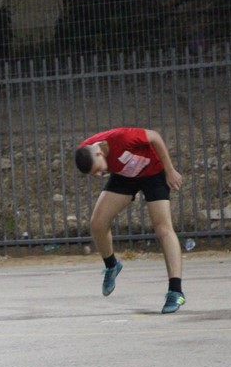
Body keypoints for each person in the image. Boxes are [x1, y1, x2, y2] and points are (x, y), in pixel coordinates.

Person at [74, 127, 185, 314]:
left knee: (163, 229)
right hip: (125, 176)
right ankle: (111, 266)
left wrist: (170, 170)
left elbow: (155, 137)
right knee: (98, 223)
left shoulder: (124, 138)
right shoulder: (85, 151)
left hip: (153, 173)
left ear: (100, 153)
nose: (100, 175)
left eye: (99, 170)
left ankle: (176, 291)